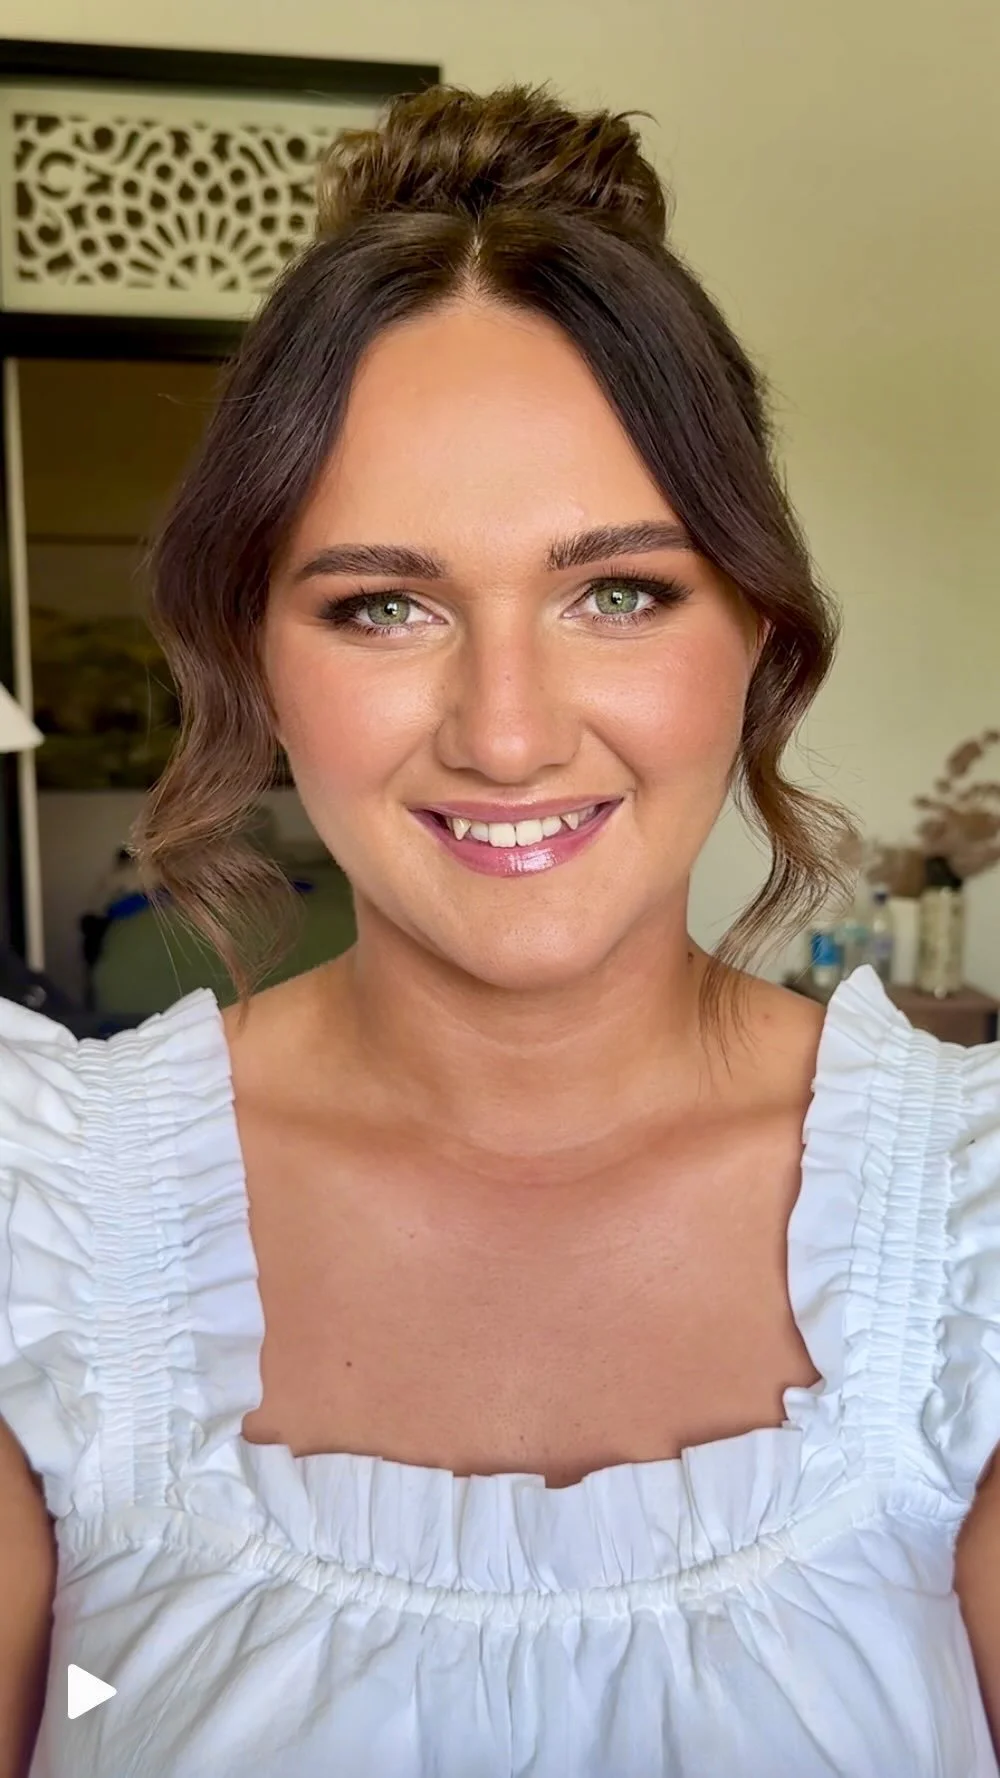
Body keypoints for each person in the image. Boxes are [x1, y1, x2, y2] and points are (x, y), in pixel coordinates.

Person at [1, 83, 998, 1778]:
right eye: (385, 604)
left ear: (757, 630)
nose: (510, 734)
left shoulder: (971, 1238)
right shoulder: (41, 1228)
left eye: (619, 590)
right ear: (256, 657)